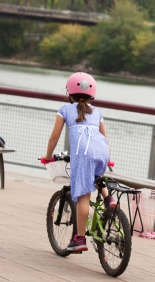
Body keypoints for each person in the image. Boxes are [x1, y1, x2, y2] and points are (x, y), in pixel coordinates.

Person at [41, 72, 112, 253]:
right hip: (101, 151)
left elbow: (54, 136)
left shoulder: (65, 110)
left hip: (83, 153)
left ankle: (79, 238)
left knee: (83, 197)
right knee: (96, 176)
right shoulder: (97, 112)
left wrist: (48, 156)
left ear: (69, 92)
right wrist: (108, 158)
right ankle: (108, 198)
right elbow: (104, 137)